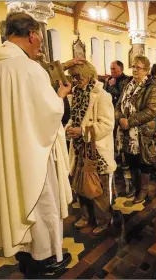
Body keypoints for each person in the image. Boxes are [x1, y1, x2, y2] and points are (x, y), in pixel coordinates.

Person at [0, 12, 77, 277]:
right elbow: (50, 113)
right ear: (32, 34)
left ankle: (23, 253)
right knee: (40, 201)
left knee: (14, 199)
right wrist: (61, 95)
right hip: (31, 153)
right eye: (40, 40)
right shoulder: (27, 68)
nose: (40, 46)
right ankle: (43, 260)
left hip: (5, 153)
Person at [66, 60, 117, 236]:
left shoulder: (102, 95)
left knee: (98, 188)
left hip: (97, 150)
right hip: (80, 148)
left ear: (88, 75)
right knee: (80, 184)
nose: (75, 80)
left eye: (77, 76)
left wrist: (83, 131)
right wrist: (69, 130)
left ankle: (103, 220)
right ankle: (86, 216)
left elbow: (107, 124)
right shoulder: (76, 93)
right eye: (73, 77)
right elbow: (74, 118)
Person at [115, 55, 156, 204]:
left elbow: (151, 110)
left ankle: (143, 191)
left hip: (142, 131)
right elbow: (118, 105)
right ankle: (135, 187)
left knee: (144, 162)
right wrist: (120, 118)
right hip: (126, 131)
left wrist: (130, 121)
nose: (134, 70)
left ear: (146, 70)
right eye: (133, 66)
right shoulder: (128, 85)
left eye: (138, 67)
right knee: (130, 160)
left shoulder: (151, 88)